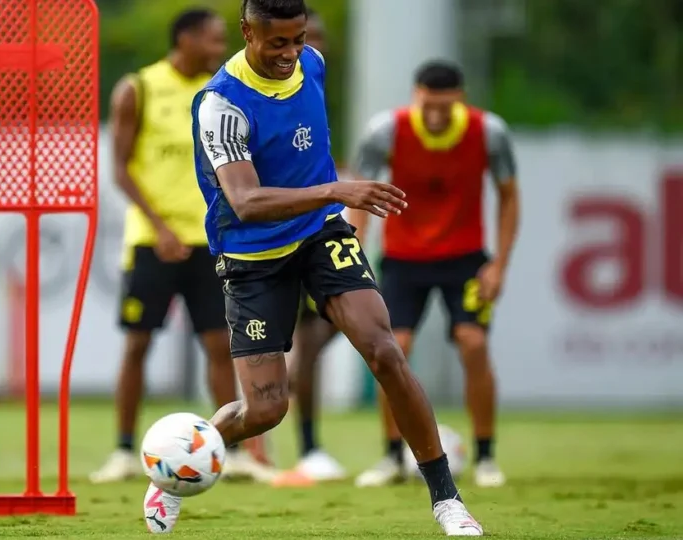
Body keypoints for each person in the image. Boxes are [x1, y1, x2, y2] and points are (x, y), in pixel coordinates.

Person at [142, 0, 483, 535]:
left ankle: (447, 500)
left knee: (385, 350)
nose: (291, 53)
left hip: (321, 233)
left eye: (298, 39)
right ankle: (172, 468)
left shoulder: (313, 65)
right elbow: (247, 201)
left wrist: (331, 201)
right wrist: (335, 188)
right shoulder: (221, 104)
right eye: (277, 42)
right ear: (247, 31)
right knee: (264, 410)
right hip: (252, 255)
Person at [91, 7, 274, 485]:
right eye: (213, 41)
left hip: (211, 243)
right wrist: (161, 226)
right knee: (137, 343)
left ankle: (227, 451)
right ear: (186, 39)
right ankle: (124, 451)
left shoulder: (224, 91)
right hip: (154, 242)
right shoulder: (140, 88)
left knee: (219, 344)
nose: (220, 50)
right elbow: (121, 169)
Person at [350, 60, 518, 489]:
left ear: (459, 99)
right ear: (416, 95)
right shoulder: (386, 132)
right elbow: (359, 193)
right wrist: (354, 250)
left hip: (465, 259)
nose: (438, 114)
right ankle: (391, 457)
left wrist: (498, 264)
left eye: (446, 105)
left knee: (473, 342)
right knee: (393, 348)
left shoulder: (489, 132)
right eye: (430, 105)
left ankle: (485, 456)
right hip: (403, 259)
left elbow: (509, 197)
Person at [270, 6, 347, 485]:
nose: (305, 49)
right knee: (284, 345)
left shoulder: (313, 82)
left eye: (312, 39)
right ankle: (301, 445)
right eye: (300, 39)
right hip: (275, 236)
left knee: (319, 339)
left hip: (320, 231)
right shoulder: (254, 90)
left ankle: (309, 445)